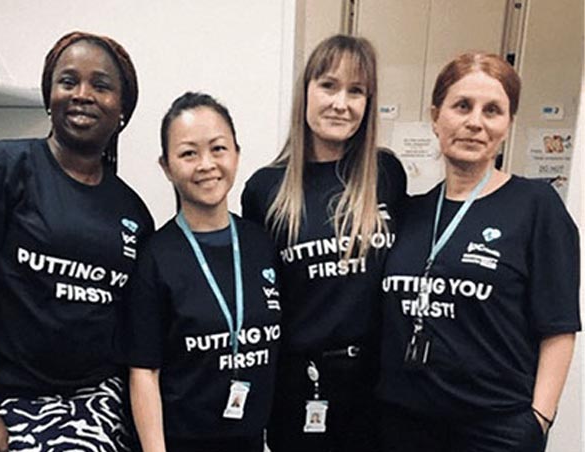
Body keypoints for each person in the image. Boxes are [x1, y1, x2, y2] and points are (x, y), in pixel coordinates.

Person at [0, 31, 154, 451]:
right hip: (10, 401)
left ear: (122, 109)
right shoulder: (1, 168)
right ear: (50, 95)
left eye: (100, 85)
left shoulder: (133, 212)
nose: (83, 94)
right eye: (68, 81)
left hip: (97, 405)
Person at [376, 52, 580, 452]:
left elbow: (558, 327)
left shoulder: (536, 205)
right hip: (402, 424)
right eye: (462, 106)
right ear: (436, 117)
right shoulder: (410, 211)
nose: (475, 122)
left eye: (493, 110)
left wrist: (538, 419)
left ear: (507, 125)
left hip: (493, 429)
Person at [242, 34, 407, 451]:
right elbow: (261, 304)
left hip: (376, 386)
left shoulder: (386, 174)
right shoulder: (266, 189)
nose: (341, 103)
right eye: (329, 85)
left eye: (356, 91)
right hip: (298, 388)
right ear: (306, 92)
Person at [118, 92, 281, 452]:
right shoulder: (156, 256)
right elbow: (144, 372)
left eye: (218, 149)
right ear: (166, 166)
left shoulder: (261, 243)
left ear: (237, 153)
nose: (206, 164)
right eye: (189, 153)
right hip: (182, 442)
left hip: (253, 441)